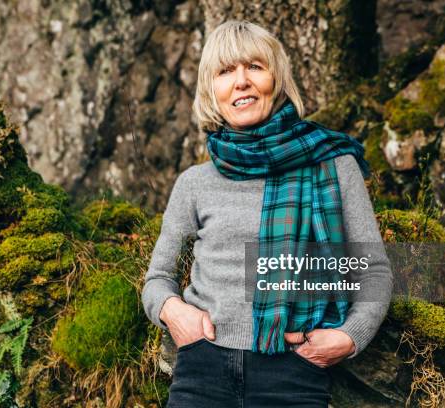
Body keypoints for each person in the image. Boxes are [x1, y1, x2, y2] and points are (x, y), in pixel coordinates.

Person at [141, 20, 393, 408]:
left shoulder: (333, 165)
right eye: (225, 71)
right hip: (202, 371)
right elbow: (158, 278)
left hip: (294, 372)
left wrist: (349, 336)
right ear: (212, 90)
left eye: (255, 67)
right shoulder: (195, 182)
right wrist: (174, 312)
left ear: (277, 80)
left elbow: (373, 271)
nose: (241, 81)